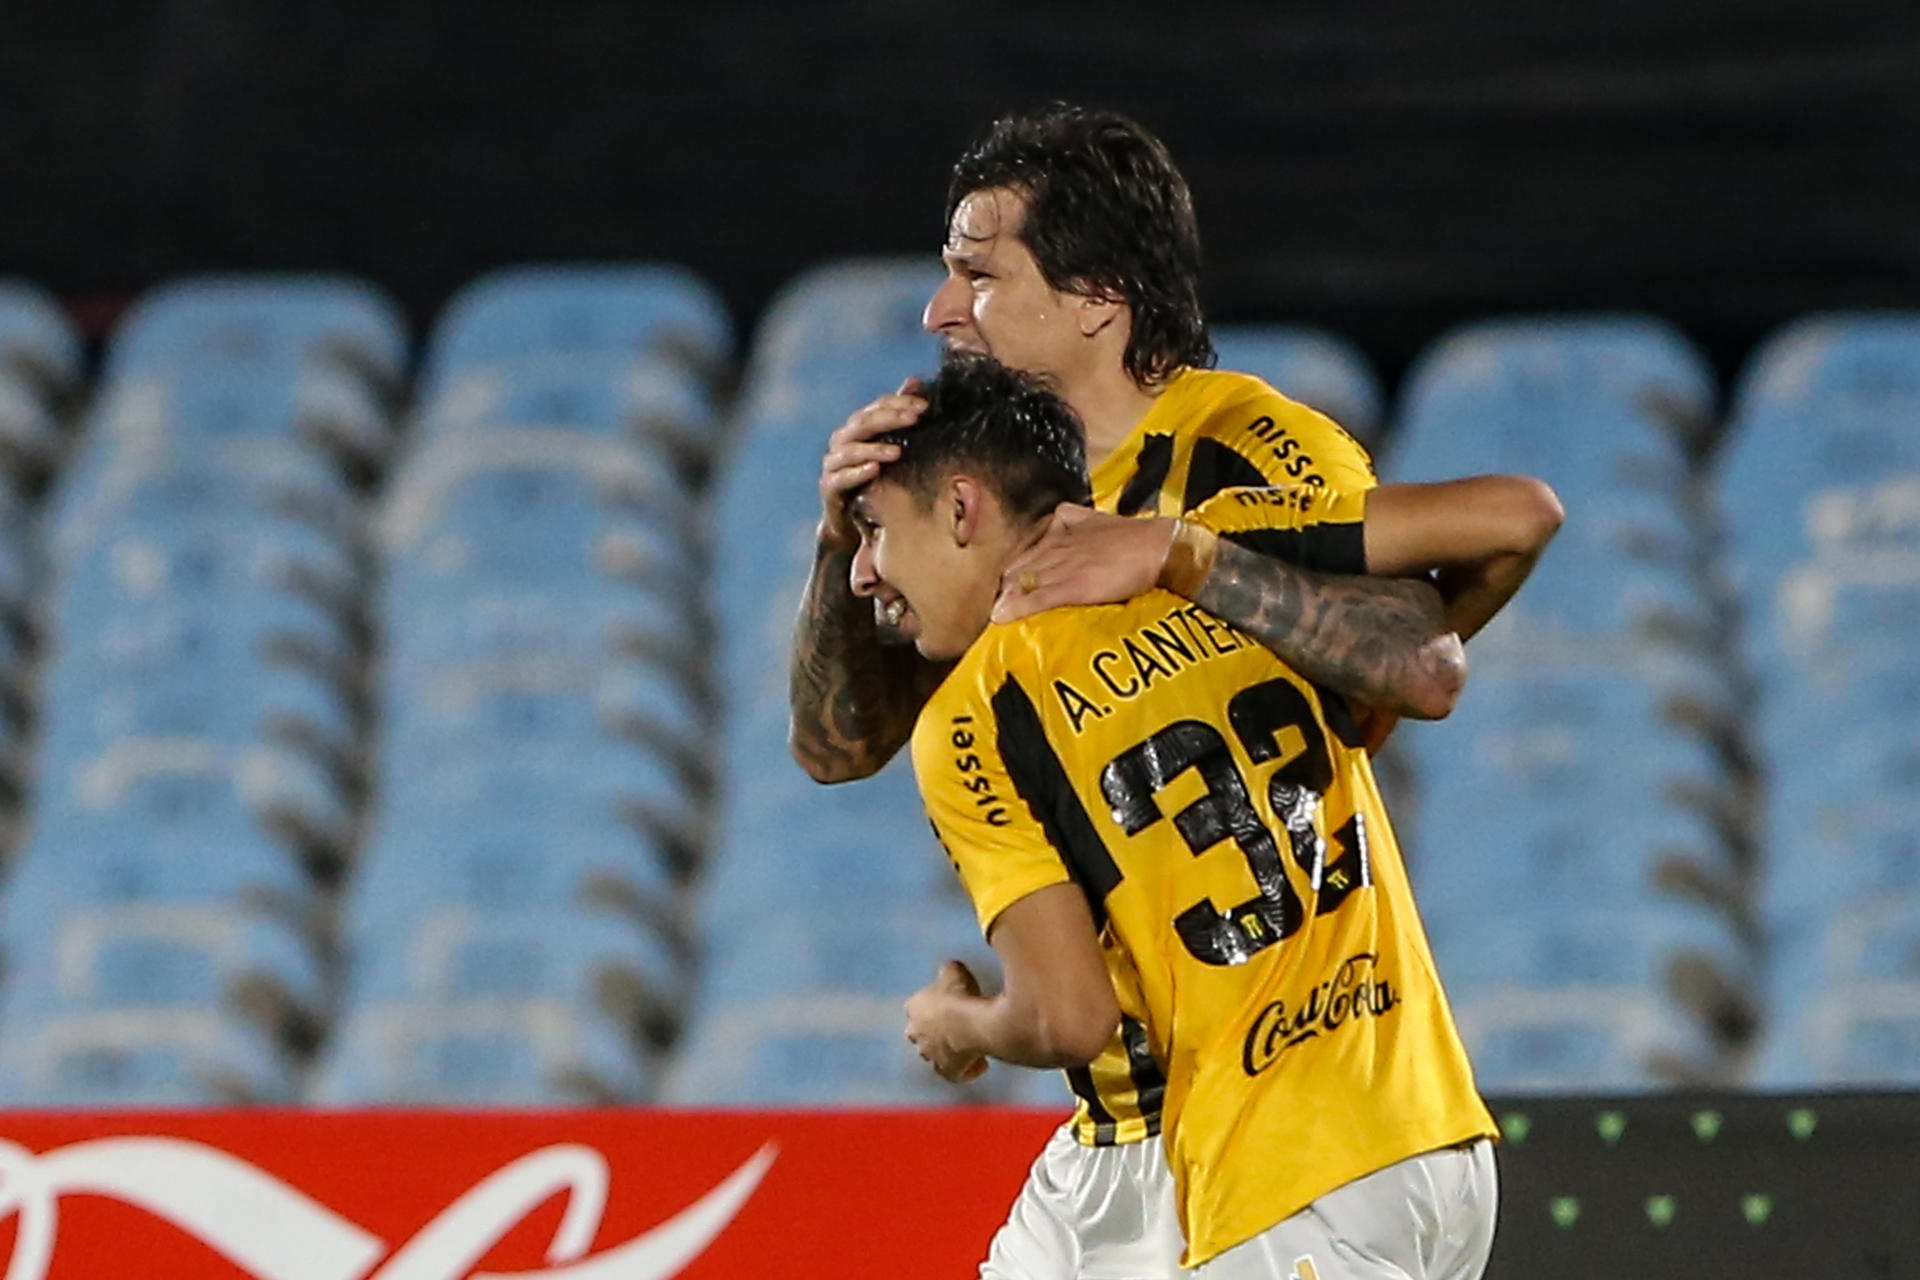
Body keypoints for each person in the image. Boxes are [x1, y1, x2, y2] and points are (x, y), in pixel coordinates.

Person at [791, 104, 1533, 1278]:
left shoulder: (1246, 449)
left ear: (1096, 295)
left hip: (1280, 1108)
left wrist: (1184, 554)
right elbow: (840, 746)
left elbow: (1417, 657)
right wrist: (847, 543)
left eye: (977, 275)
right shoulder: (974, 501)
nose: (941, 313)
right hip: (1126, 1126)